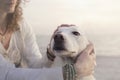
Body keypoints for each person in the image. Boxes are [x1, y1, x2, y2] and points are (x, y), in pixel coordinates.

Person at [0, 0, 96, 80]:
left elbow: (35, 66)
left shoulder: (21, 25)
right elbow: (6, 75)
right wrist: (75, 71)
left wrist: (51, 51)